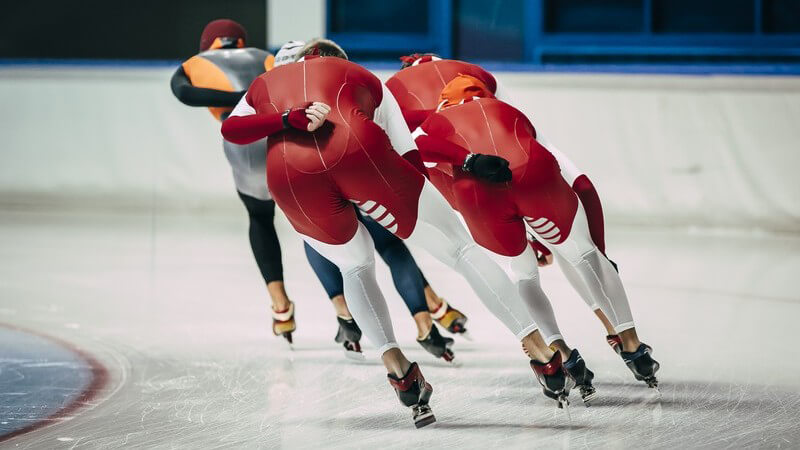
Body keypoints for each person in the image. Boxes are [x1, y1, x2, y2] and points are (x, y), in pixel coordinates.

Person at [221, 39, 586, 424]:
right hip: (362, 156)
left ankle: (399, 371)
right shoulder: (363, 77)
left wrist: (284, 121)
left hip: (290, 177)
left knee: (355, 267)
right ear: (338, 61)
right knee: (461, 251)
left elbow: (232, 129)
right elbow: (410, 154)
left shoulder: (267, 83)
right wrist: (428, 201)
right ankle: (540, 351)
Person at [387, 54, 658, 385]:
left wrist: (467, 161)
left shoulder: (395, 95)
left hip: (464, 185)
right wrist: (601, 252)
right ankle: (631, 345)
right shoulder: (485, 83)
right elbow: (582, 183)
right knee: (583, 254)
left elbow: (413, 155)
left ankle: (554, 353)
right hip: (531, 167)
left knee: (521, 272)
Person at [169, 19, 299, 343]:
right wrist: (254, 92)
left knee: (260, 217)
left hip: (240, 141)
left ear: (207, 44)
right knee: (317, 216)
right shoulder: (266, 57)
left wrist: (235, 97)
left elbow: (184, 93)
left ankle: (281, 308)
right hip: (281, 135)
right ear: (240, 41)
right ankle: (344, 306)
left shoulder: (192, 64)